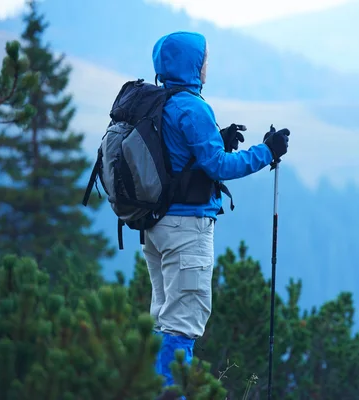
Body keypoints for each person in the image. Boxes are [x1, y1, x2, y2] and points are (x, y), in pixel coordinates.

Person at [145, 30, 290, 392]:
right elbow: (220, 168)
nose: (207, 65)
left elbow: (177, 158)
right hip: (186, 230)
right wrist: (267, 152)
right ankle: (170, 394)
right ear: (192, 64)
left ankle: (148, 388)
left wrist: (217, 138)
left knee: (161, 320)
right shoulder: (192, 107)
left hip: (155, 227)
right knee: (182, 324)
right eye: (204, 59)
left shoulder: (157, 102)